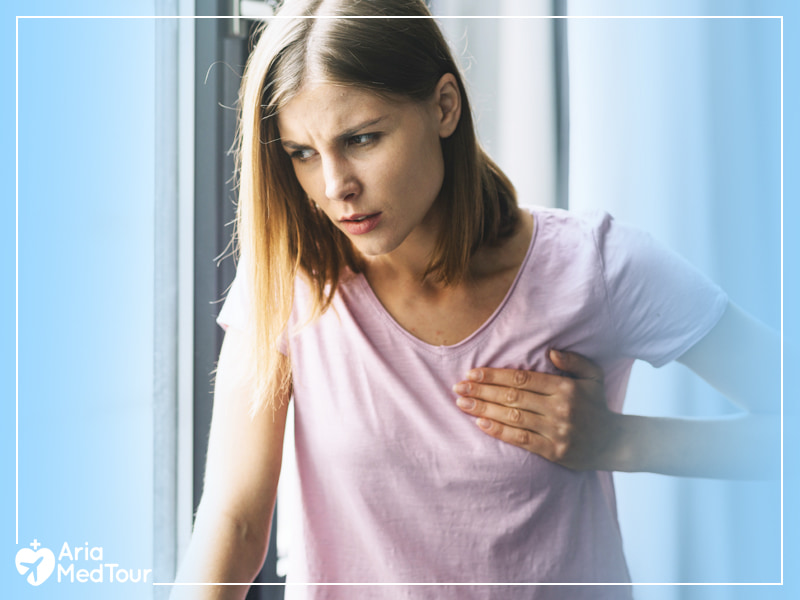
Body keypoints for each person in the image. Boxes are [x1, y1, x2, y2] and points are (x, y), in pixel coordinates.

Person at [171, 0, 780, 598]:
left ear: (443, 106)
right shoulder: (290, 279)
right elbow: (235, 524)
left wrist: (617, 441)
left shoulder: (596, 267)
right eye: (303, 153)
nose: (335, 187)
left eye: (361, 138)